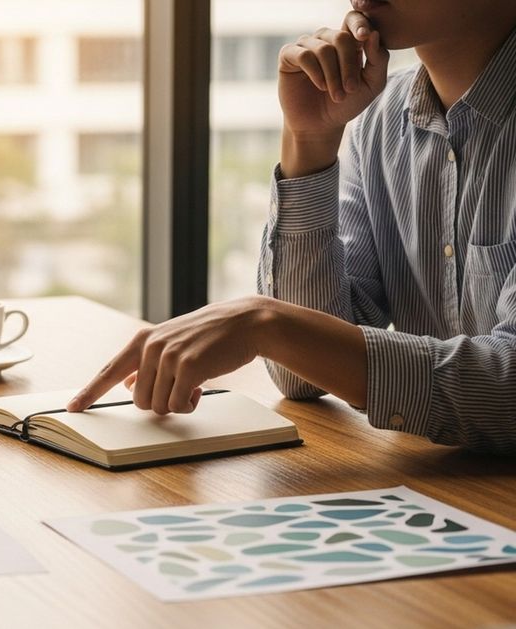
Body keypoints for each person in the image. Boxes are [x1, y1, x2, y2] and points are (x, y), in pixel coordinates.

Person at [69, 1, 516, 454]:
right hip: (452, 493)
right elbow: (301, 377)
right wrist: (308, 141)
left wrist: (264, 323)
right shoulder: (381, 123)